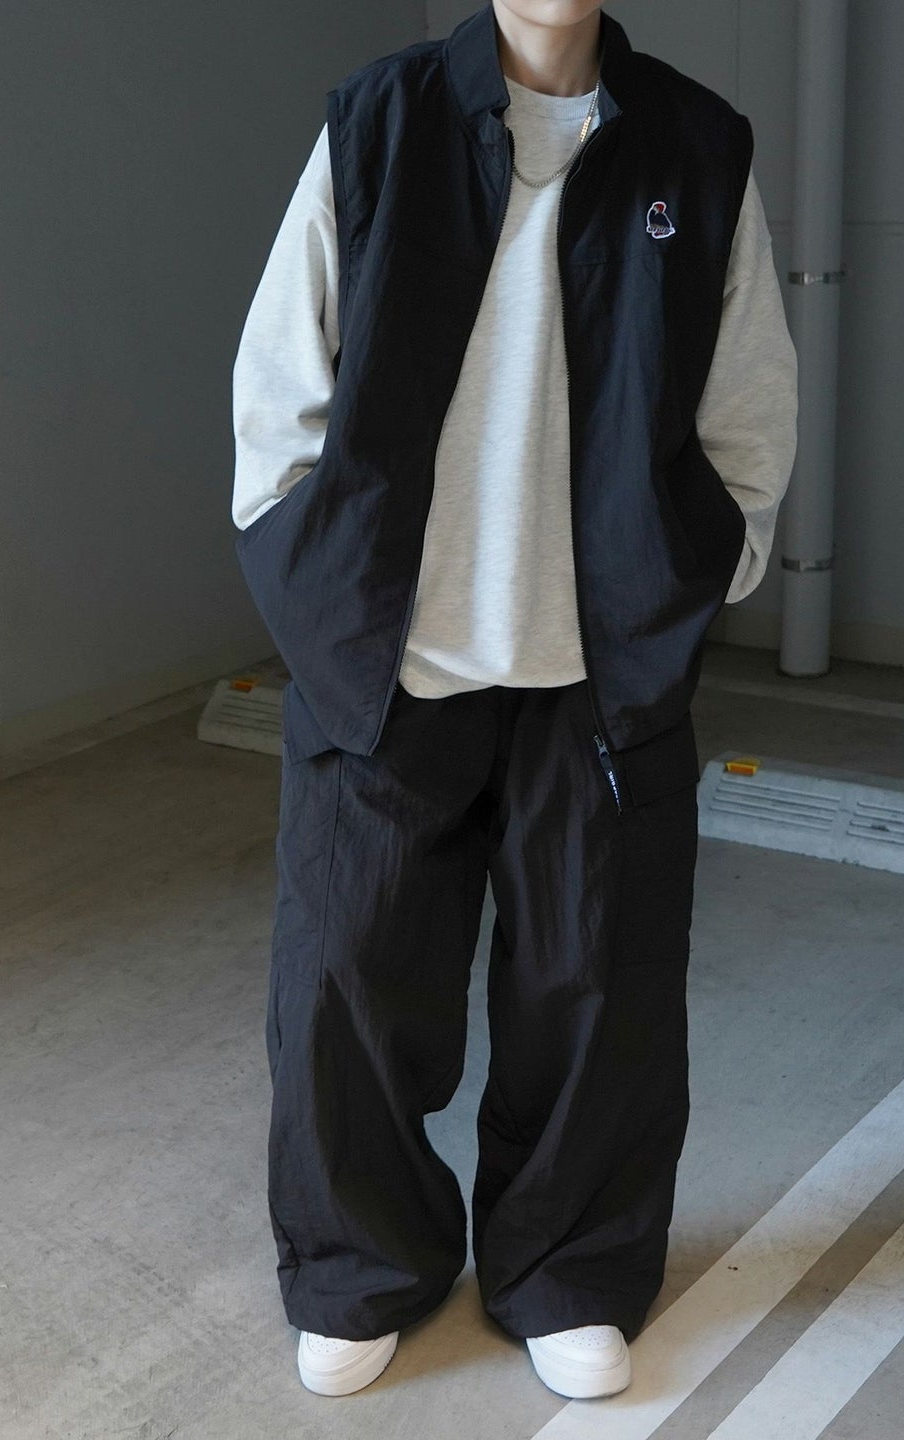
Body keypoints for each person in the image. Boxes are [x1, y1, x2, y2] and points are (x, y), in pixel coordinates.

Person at [230, 0, 797, 1402]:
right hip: (390, 658)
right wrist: (316, 583)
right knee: (348, 975)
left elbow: (748, 405)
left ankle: (569, 1268)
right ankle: (360, 1266)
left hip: (598, 669)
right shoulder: (381, 124)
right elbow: (281, 382)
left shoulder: (694, 147)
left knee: (596, 985)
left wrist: (693, 582)